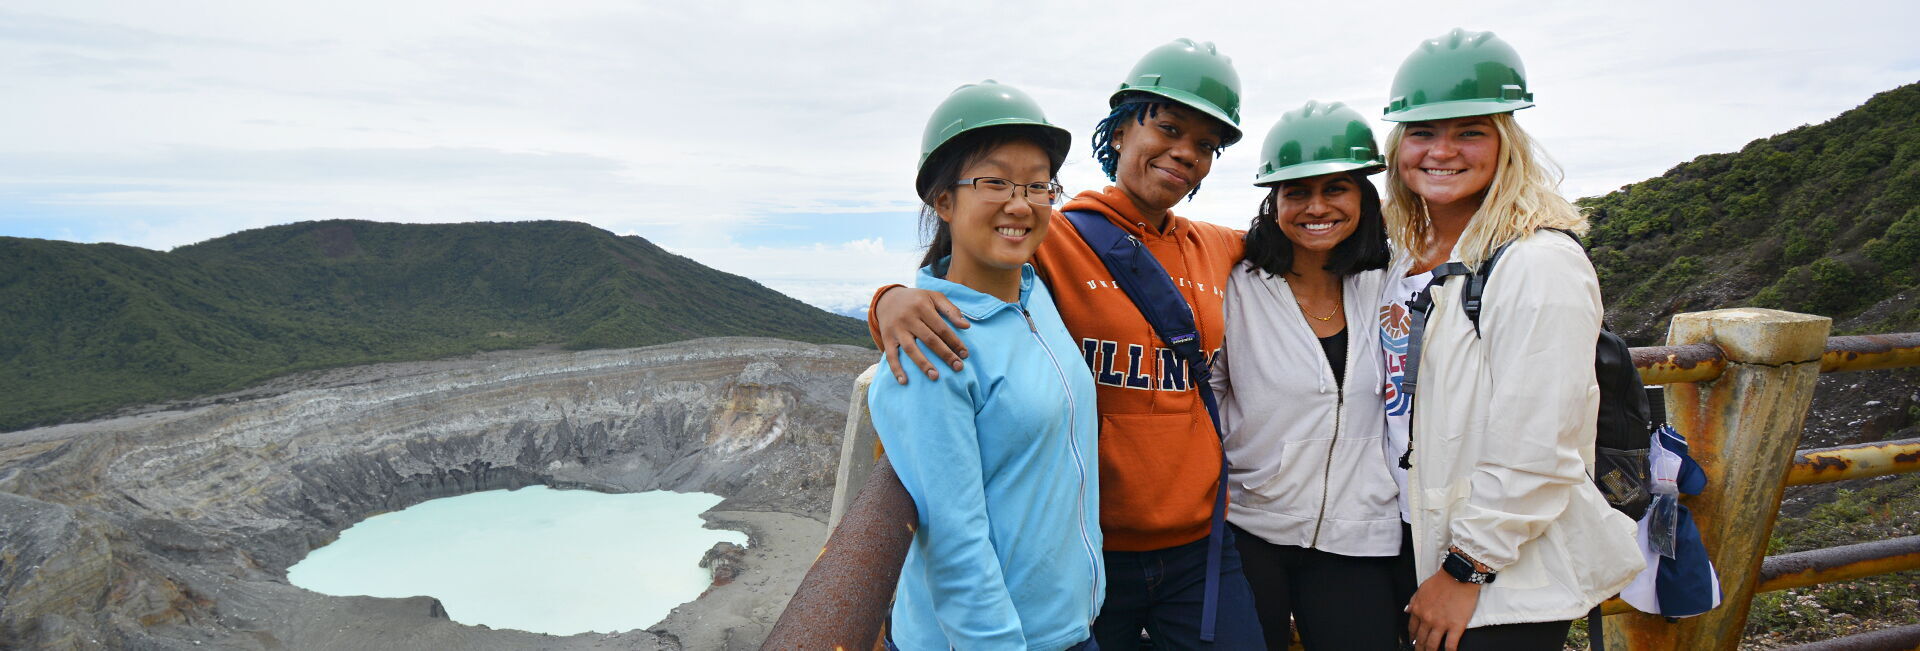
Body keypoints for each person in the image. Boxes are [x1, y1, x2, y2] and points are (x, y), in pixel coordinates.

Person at [869, 39, 1266, 650]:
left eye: (1207, 145)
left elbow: (1302, 231)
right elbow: (965, 270)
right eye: (1166, 126)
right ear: (1120, 129)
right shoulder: (1054, 236)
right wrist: (889, 301)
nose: (1185, 152)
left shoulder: (1212, 246)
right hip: (1094, 547)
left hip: (1174, 549)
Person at [1378, 29, 1644, 651]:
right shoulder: (1406, 260)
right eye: (1422, 132)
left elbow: (1539, 443)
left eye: (1469, 131)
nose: (1441, 150)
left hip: (1497, 574)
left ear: (1506, 143)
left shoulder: (1536, 262)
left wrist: (1467, 568)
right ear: (1399, 147)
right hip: (1413, 537)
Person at [867, 80, 1102, 651]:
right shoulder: (935, 346)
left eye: (1038, 184)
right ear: (943, 200)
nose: (1020, 203)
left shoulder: (1032, 295)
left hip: (1067, 625)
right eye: (994, 181)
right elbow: (955, 542)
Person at [1210, 100, 1410, 650]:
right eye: (1297, 192)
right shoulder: (1236, 287)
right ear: (1274, 202)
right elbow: (1208, 398)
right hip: (1249, 528)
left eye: (1335, 189)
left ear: (1364, 198)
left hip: (1361, 534)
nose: (1316, 207)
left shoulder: (1393, 285)